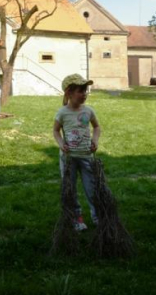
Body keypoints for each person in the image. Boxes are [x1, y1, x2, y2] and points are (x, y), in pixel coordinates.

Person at [53, 73, 101, 231]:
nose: (84, 94)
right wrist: (61, 144)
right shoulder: (62, 113)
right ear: (69, 93)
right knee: (70, 189)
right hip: (69, 159)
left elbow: (97, 127)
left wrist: (95, 140)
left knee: (92, 187)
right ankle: (76, 218)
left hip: (87, 156)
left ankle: (98, 216)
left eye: (85, 90)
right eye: (81, 91)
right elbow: (56, 131)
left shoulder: (89, 111)